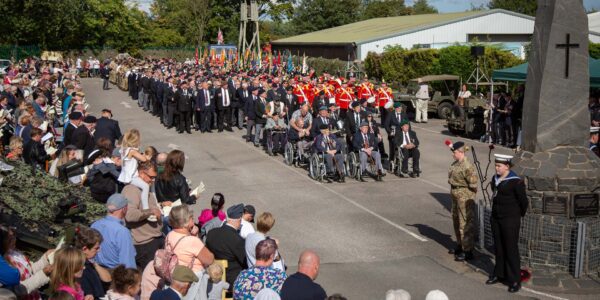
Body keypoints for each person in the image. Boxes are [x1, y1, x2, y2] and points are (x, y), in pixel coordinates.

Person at [486, 154, 528, 293]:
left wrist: (515, 216)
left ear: (507, 166)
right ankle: (499, 274)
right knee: (499, 247)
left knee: (511, 249)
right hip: (496, 218)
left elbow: (523, 202)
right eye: (496, 165)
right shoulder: (495, 178)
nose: (496, 168)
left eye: (499, 166)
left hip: (510, 220)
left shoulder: (516, 181)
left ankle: (515, 279)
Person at [166, 205, 215, 300]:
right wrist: (196, 237)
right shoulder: (192, 241)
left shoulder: (169, 235)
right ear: (187, 220)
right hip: (191, 281)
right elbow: (210, 259)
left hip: (175, 279)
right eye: (192, 217)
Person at [123, 161, 164, 269]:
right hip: (144, 244)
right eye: (151, 177)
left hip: (155, 238)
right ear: (141, 173)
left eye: (155, 177)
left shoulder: (147, 187)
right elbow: (130, 215)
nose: (153, 180)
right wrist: (150, 212)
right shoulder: (131, 190)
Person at [205, 204, 248, 293]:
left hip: (213, 274)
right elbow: (245, 262)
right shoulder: (238, 240)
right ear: (239, 220)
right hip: (232, 280)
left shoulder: (211, 233)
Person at [447, 141, 478, 261]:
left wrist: (468, 196)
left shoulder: (467, 166)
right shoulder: (456, 163)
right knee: (456, 221)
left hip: (464, 196)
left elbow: (474, 185)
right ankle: (460, 245)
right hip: (455, 194)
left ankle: (468, 250)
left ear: (461, 152)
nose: (453, 154)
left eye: (454, 152)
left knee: (465, 223)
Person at [1, 228, 54, 299]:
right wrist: (43, 274)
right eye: (9, 239)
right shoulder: (4, 265)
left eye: (14, 235)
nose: (14, 239)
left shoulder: (14, 254)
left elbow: (29, 271)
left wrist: (45, 259)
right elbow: (18, 290)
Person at [91, 193, 137, 269]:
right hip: (116, 274)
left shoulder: (94, 225)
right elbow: (127, 262)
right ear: (124, 209)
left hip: (98, 271)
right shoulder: (122, 231)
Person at [118, 129, 153, 221]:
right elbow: (143, 159)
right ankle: (146, 208)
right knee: (145, 186)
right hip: (131, 176)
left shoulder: (124, 149)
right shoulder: (132, 151)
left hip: (127, 175)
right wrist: (147, 156)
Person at [75, 227, 111, 300]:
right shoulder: (80, 269)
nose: (99, 250)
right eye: (96, 248)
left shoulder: (90, 262)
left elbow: (108, 279)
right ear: (85, 249)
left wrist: (94, 263)